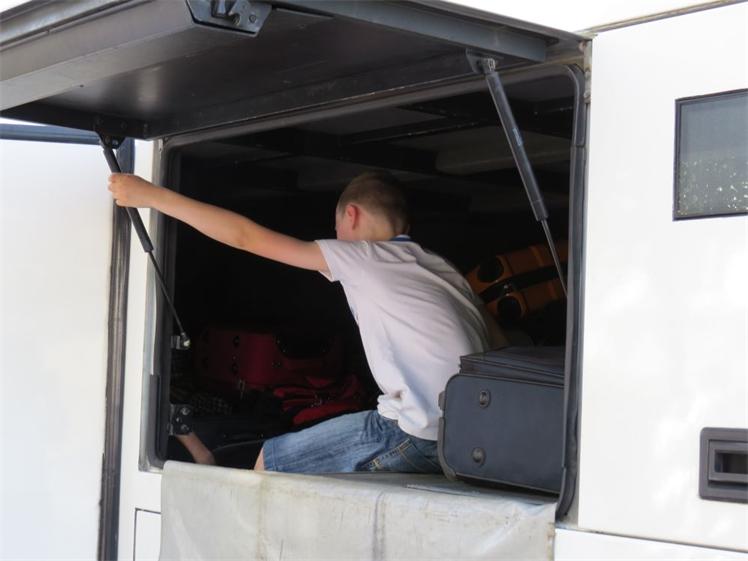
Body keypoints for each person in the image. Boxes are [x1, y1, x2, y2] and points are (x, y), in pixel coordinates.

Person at [108, 170, 507, 473]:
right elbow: (500, 343)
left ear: (351, 216)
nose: (336, 236)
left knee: (271, 462)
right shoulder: (441, 268)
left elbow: (245, 237)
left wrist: (150, 196)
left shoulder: (365, 256)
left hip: (417, 433)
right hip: (472, 437)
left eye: (336, 228)